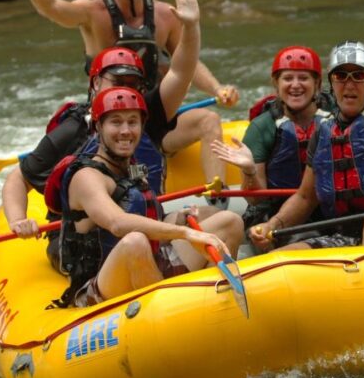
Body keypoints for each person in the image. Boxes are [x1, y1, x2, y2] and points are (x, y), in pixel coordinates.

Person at [9, 0, 237, 200]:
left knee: (209, 120)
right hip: (108, 121)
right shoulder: (92, 12)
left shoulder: (166, 15)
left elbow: (185, 64)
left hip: (152, 117)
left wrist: (217, 87)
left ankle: (218, 199)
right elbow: (52, 7)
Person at [2, 0, 202, 263]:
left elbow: (182, 71)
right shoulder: (75, 127)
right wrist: (19, 219)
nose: (126, 89)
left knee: (221, 221)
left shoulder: (146, 115)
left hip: (141, 223)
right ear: (95, 83)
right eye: (118, 80)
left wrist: (191, 26)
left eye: (133, 82)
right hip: (86, 243)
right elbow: (19, 177)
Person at [46, 86, 244, 307]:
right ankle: (169, 312)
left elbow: (151, 221)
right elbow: (118, 224)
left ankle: (216, 304)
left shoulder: (133, 168)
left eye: (133, 122)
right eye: (116, 122)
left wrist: (178, 219)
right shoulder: (86, 177)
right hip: (102, 282)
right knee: (135, 242)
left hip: (151, 263)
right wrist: (185, 232)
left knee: (230, 222)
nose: (125, 131)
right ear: (98, 127)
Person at [249, 37, 364, 252]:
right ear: (331, 83)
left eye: (359, 76)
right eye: (341, 76)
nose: (349, 84)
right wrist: (272, 225)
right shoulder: (324, 131)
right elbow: (305, 197)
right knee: (283, 256)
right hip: (344, 235)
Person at [210, 46, 330, 233]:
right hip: (275, 213)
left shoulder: (337, 120)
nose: (295, 85)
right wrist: (249, 171)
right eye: (288, 78)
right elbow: (255, 199)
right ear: (276, 84)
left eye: (304, 78)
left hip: (329, 211)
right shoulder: (262, 127)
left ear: (318, 83)